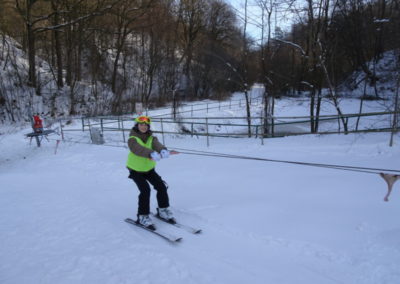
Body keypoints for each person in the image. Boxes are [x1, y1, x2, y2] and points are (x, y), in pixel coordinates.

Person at [126, 115, 175, 230]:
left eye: (145, 125)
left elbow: (157, 145)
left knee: (161, 186)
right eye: (141, 124)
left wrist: (163, 150)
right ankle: (142, 216)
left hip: (149, 169)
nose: (143, 127)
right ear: (137, 125)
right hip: (135, 169)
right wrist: (151, 153)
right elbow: (137, 149)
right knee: (145, 190)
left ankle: (163, 210)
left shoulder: (151, 138)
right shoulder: (132, 139)